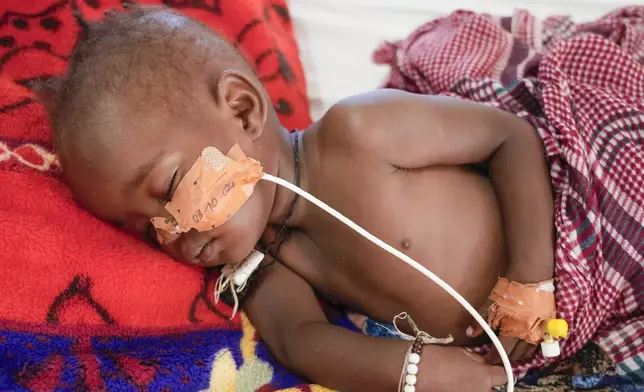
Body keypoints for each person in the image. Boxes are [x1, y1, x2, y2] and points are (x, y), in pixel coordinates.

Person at [41, 6, 557, 392]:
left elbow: (510, 138)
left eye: (170, 189)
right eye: (142, 228)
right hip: (508, 353)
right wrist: (415, 371)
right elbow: (301, 341)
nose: (170, 231)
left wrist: (531, 277)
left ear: (242, 111)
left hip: (558, 245)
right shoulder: (259, 261)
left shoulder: (361, 134)